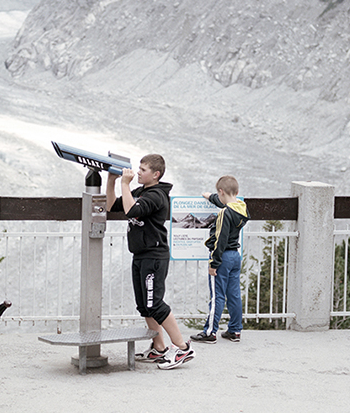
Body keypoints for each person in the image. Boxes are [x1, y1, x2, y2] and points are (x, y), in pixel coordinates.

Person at [106, 154, 194, 370]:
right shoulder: (141, 192)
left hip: (154, 256)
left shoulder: (156, 195)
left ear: (156, 174)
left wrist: (125, 184)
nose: (138, 172)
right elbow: (112, 206)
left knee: (155, 303)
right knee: (144, 306)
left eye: (143, 170)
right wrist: (111, 181)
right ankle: (159, 348)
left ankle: (182, 348)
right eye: (139, 168)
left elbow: (132, 211)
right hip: (140, 255)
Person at [191, 176, 249, 344]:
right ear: (237, 192)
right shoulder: (241, 208)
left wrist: (213, 263)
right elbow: (226, 202)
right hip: (235, 256)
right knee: (234, 295)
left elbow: (220, 240)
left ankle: (210, 332)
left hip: (222, 257)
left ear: (221, 191)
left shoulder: (225, 213)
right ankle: (235, 330)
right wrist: (211, 197)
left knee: (217, 296)